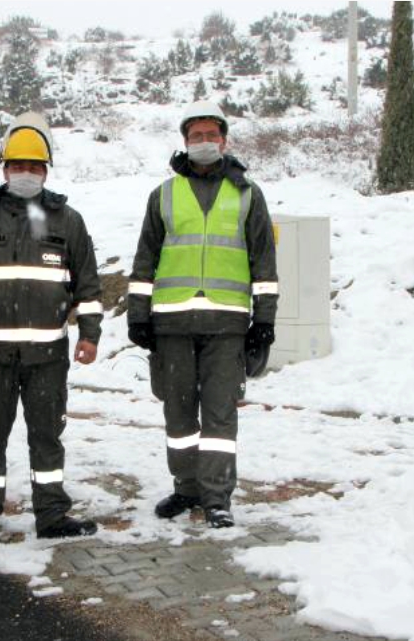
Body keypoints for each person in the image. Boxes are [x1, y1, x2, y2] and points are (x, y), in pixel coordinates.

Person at [126, 101, 279, 529]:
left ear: (225, 140)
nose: (205, 143)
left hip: (226, 327)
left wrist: (263, 322)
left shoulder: (248, 194)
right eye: (197, 137)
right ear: (185, 142)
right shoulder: (164, 195)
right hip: (171, 326)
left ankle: (217, 498)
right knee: (178, 416)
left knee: (218, 416)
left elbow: (263, 265)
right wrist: (138, 316)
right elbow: (145, 262)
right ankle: (186, 488)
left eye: (213, 135)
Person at [0, 113, 102, 549]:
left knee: (47, 439)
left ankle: (52, 514)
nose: (26, 174)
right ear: (4, 169)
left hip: (48, 356)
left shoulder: (68, 221)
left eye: (34, 167)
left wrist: (90, 334)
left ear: (46, 171)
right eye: (18, 166)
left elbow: (88, 284)